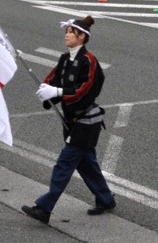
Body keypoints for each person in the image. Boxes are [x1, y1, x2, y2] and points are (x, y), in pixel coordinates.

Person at [21, 16, 116, 225]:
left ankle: (44, 208)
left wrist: (59, 91)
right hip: (72, 120)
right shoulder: (65, 59)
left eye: (71, 32)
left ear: (82, 37)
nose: (67, 35)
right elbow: (53, 79)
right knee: (86, 163)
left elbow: (88, 89)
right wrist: (47, 93)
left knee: (64, 165)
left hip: (86, 123)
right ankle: (106, 198)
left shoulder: (89, 61)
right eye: (67, 32)